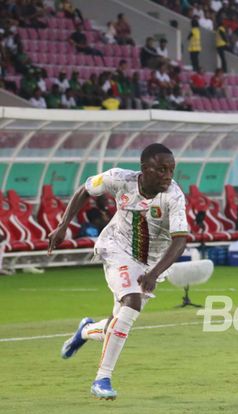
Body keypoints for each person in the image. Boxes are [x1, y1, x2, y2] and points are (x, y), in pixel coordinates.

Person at [51, 143, 188, 399]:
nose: (168, 175)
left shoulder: (174, 196)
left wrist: (154, 273)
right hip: (117, 248)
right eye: (161, 170)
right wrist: (62, 226)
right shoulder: (119, 179)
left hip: (151, 264)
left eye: (171, 169)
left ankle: (85, 330)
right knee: (131, 302)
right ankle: (102, 379)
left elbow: (180, 241)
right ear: (144, 169)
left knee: (117, 324)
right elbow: (85, 189)